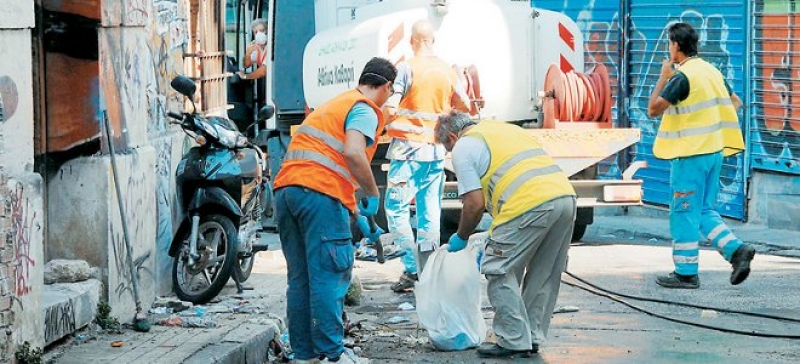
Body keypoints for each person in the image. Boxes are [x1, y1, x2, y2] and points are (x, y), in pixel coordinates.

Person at [273, 57, 397, 363]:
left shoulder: (334, 104)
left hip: (287, 192)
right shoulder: (365, 109)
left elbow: (328, 163)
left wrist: (356, 212)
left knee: (300, 280)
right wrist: (372, 194)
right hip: (318, 195)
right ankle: (331, 355)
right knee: (329, 276)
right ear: (388, 86)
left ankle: (305, 355)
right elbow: (354, 153)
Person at [435, 111, 577, 358]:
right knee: (544, 273)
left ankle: (512, 339)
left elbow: (474, 203)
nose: (450, 153)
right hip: (565, 198)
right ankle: (530, 336)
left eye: (447, 147)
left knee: (498, 267)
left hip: (528, 204)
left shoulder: (463, 147)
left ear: (452, 136)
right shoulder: (504, 130)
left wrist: (461, 235)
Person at [647, 22, 755, 289]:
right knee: (704, 210)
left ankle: (685, 273)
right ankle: (736, 251)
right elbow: (736, 103)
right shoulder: (712, 72)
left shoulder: (683, 77)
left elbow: (653, 109)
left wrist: (663, 76)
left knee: (683, 212)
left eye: (668, 44)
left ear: (675, 46)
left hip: (691, 155)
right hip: (714, 152)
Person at [383, 19, 471, 292]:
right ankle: (429, 267)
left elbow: (390, 104)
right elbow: (465, 105)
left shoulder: (406, 68)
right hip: (435, 153)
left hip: (407, 151)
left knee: (396, 209)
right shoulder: (447, 71)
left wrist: (383, 124)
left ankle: (411, 269)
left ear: (412, 41)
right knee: (429, 211)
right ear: (432, 41)